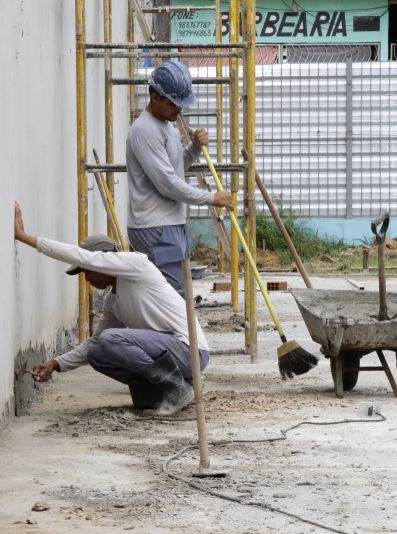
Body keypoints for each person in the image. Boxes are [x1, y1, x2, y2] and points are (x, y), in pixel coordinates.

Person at [14, 201, 209, 416]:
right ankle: (161, 391)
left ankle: (175, 387)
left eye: (88, 271)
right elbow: (95, 343)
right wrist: (56, 364)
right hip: (173, 356)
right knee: (98, 353)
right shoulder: (113, 301)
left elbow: (82, 256)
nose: (87, 278)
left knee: (111, 338)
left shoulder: (137, 266)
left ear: (104, 262)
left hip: (190, 351)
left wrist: (25, 238)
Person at [126, 60, 233, 295]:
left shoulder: (164, 124)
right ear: (155, 97)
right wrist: (211, 197)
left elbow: (175, 169)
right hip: (156, 227)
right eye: (174, 103)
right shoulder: (145, 130)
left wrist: (193, 148)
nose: (180, 109)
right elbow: (167, 185)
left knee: (176, 298)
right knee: (173, 301)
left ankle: (178, 331)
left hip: (169, 224)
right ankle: (175, 333)